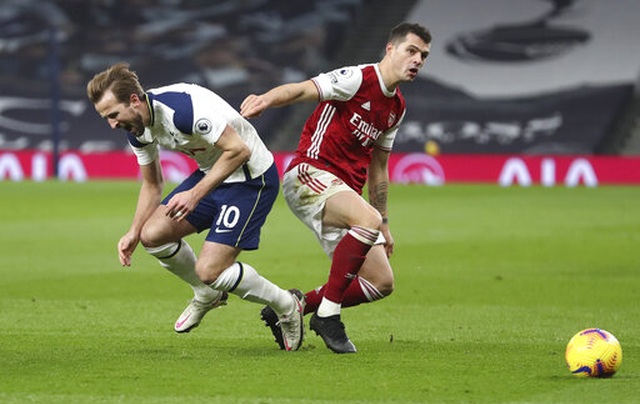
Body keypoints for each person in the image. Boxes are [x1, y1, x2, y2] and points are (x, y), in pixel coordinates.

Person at [241, 22, 431, 354]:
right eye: (411, 51)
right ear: (391, 49)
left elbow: (379, 166)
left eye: (424, 56)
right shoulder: (357, 79)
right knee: (366, 221)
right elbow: (302, 90)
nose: (417, 60)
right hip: (308, 175)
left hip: (343, 192)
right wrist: (266, 100)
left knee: (381, 283)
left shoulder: (396, 108)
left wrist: (384, 222)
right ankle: (328, 316)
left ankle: (293, 306)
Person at [86, 63, 305, 351]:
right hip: (211, 174)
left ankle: (288, 305)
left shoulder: (183, 112)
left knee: (211, 270)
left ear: (134, 101)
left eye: (113, 115)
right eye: (106, 118)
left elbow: (240, 150)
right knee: (151, 235)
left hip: (250, 180)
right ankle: (206, 294)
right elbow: (152, 184)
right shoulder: (137, 128)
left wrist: (194, 195)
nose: (112, 124)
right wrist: (133, 231)